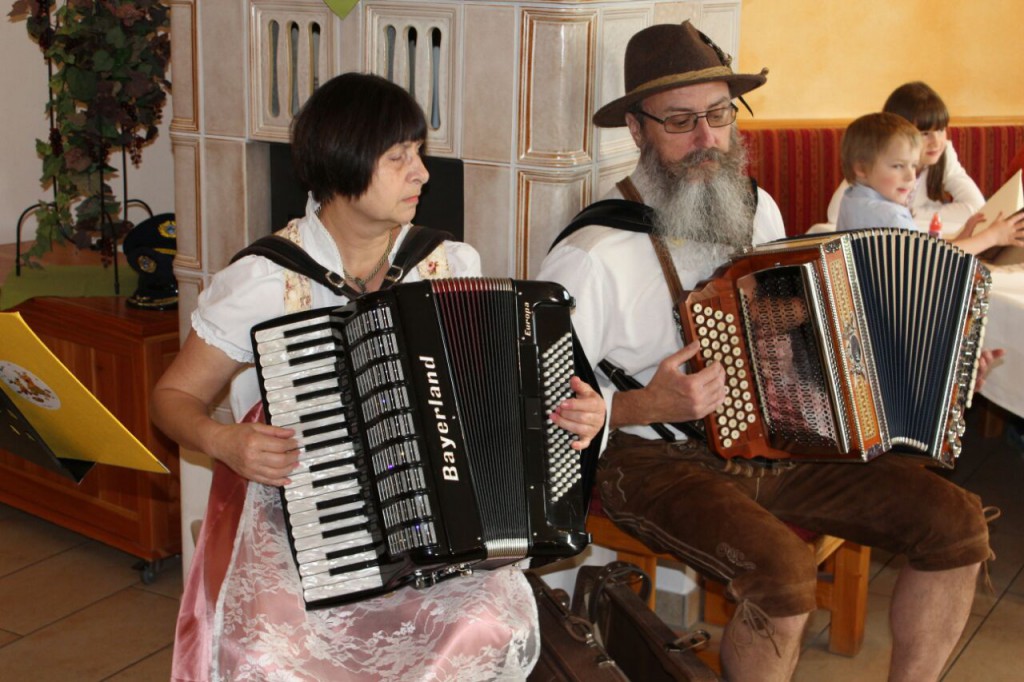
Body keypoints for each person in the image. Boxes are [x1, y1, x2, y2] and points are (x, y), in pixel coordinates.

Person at [538, 22, 998, 682]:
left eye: (719, 115)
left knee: (954, 523)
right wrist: (643, 402)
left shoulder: (759, 210)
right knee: (782, 577)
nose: (706, 139)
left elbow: (804, 343)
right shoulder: (591, 255)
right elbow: (539, 407)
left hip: (774, 437)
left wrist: (934, 370)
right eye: (679, 121)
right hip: (648, 457)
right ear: (637, 130)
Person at [152, 72, 605, 681]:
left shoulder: (449, 264)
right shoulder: (264, 281)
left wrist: (578, 414)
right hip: (299, 520)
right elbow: (172, 398)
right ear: (341, 164)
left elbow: (506, 400)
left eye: (418, 153)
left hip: (441, 530)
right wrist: (223, 441)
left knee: (487, 627)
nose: (421, 173)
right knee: (268, 658)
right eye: (399, 158)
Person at [836, 111, 1024, 253]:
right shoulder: (890, 215)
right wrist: (991, 237)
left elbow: (923, 253)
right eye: (897, 166)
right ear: (860, 169)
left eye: (914, 166)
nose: (910, 177)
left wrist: (963, 236)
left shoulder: (852, 198)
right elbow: (935, 262)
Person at [827, 81, 985, 232]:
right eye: (924, 133)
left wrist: (911, 214)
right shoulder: (875, 160)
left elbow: (976, 207)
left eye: (941, 130)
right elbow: (835, 215)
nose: (936, 142)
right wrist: (900, 216)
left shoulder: (944, 154)